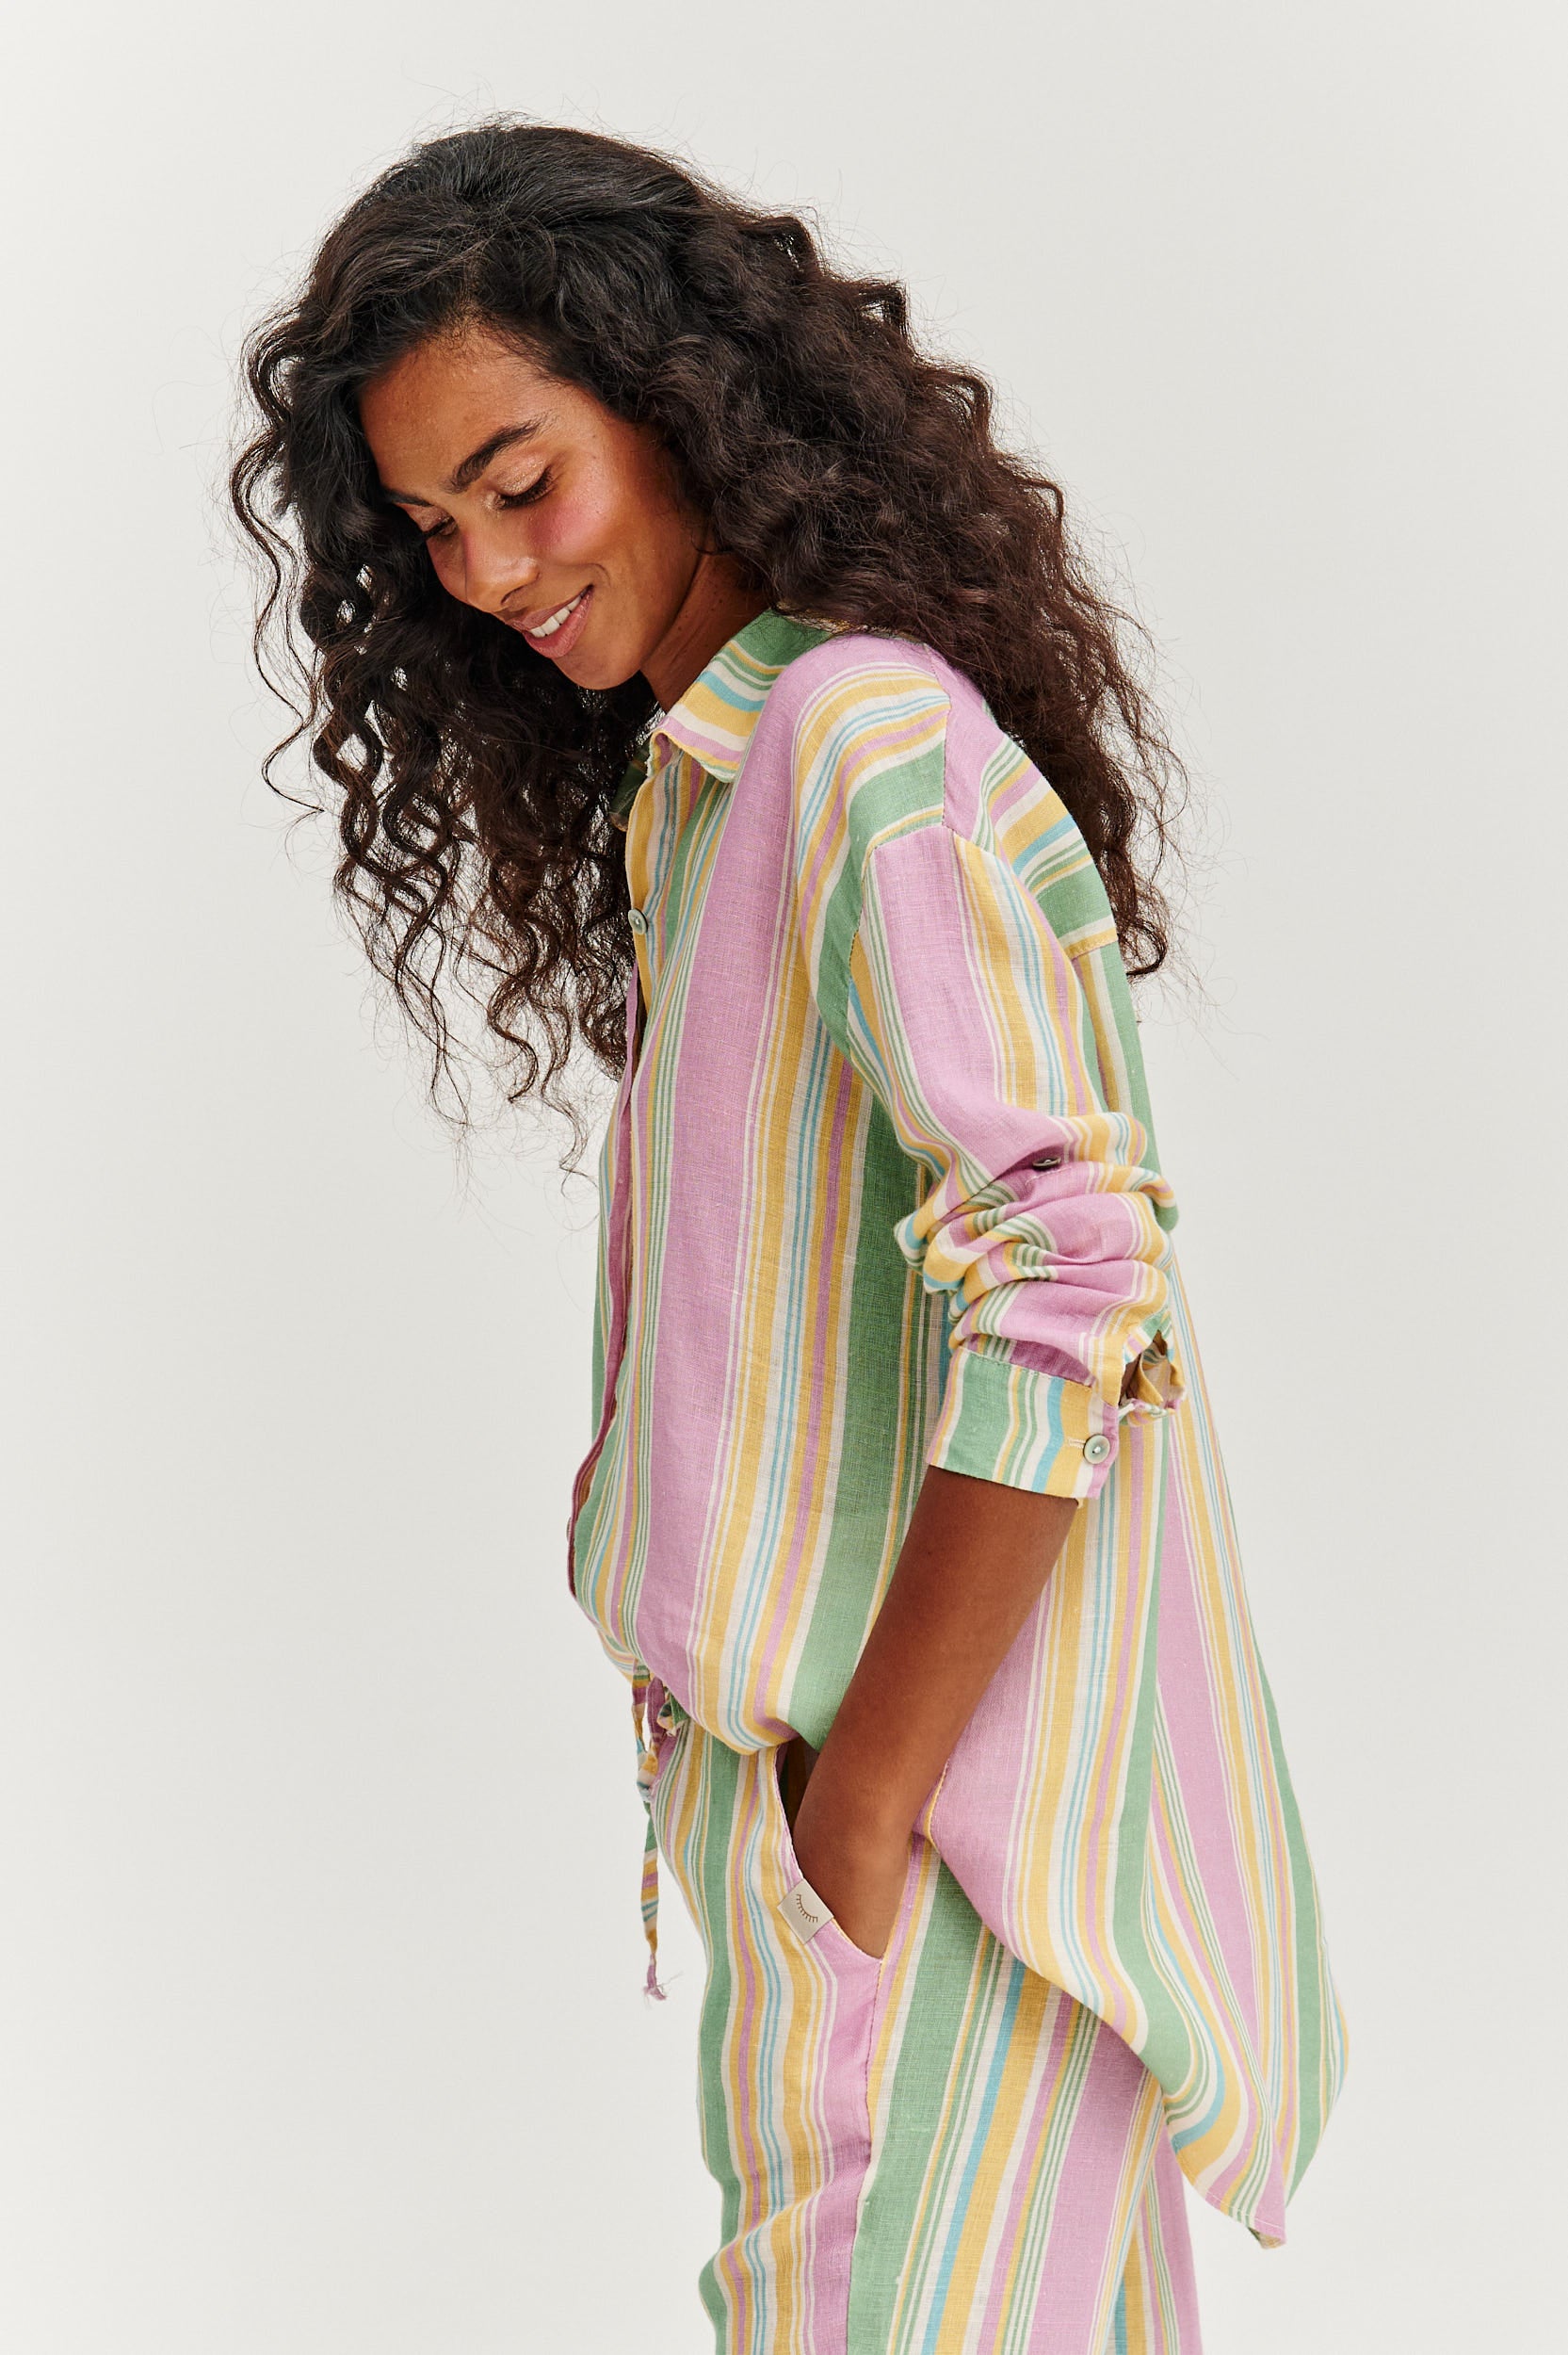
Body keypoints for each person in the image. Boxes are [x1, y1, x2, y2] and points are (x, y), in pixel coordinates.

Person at [231, 117, 1346, 2355]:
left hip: (938, 1853)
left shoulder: (855, 747)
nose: (486, 571)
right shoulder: (708, 785)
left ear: (677, 404)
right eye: (432, 525)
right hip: (868, 1838)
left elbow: (1070, 1281)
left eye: (521, 481)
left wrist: (860, 1812)